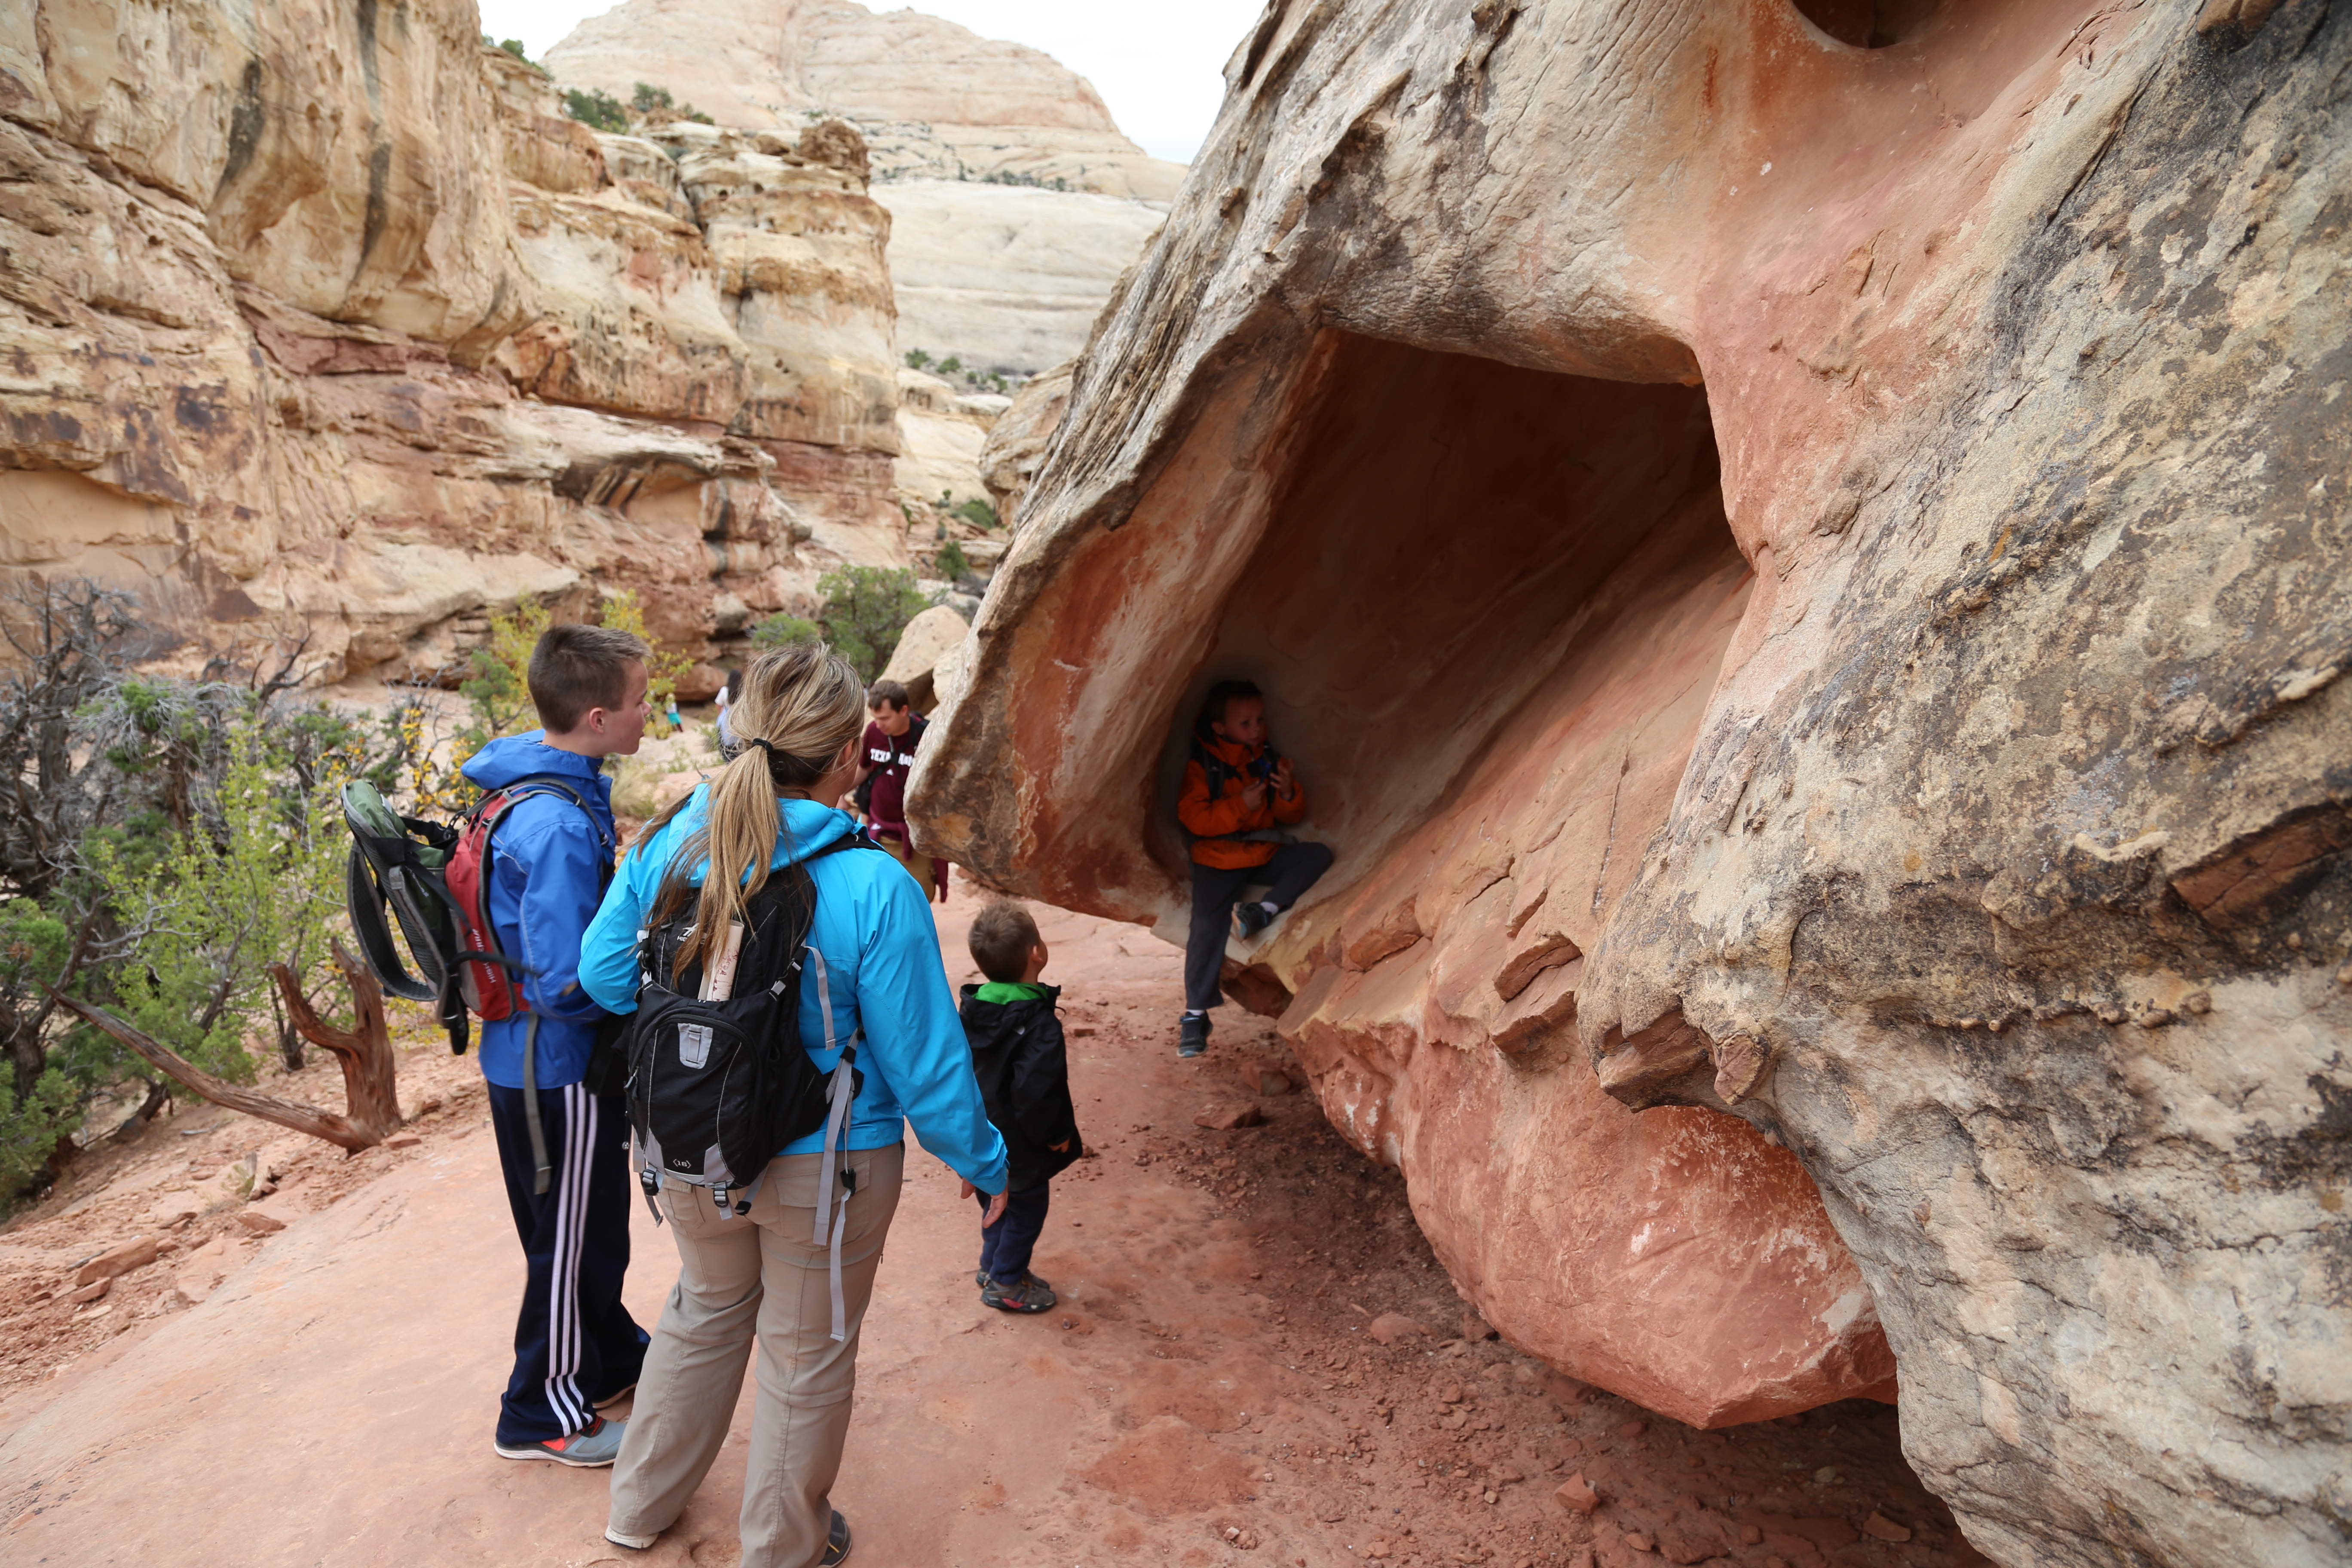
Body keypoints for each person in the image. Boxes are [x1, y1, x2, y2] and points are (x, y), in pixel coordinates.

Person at [581, 643, 1010, 1568]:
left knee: (703, 1310)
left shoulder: (669, 844)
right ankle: (781, 1549)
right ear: (850, 749)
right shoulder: (871, 883)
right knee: (805, 1353)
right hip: (829, 1166)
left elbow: (604, 977)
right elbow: (926, 1066)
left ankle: (638, 1510)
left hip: (687, 1143)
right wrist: (988, 1164)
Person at [462, 623, 653, 1466]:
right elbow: (571, 980)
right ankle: (538, 1413)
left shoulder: (525, 789)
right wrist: (651, 975)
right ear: (602, 718)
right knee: (571, 1239)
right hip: (561, 1069)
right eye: (645, 701)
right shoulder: (562, 827)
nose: (653, 714)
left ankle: (608, 1357)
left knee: (585, 1228)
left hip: (524, 1060)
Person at [1174, 680, 1334, 1060]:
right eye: (1245, 723)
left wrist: (1289, 791)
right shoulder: (1204, 765)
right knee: (1207, 924)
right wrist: (1240, 805)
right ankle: (1195, 1015)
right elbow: (1194, 818)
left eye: (1258, 720)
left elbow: (1286, 817)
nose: (1256, 728)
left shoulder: (1265, 756)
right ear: (1220, 728)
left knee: (1317, 855)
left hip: (1262, 852)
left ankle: (1262, 911)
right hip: (1219, 857)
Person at [959, 900, 1082, 1315]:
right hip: (1023, 1143)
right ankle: (1007, 1282)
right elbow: (1037, 1092)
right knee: (1027, 1210)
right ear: (1037, 953)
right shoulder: (1039, 1024)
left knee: (996, 1199)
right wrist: (1057, 1136)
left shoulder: (973, 1009)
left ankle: (992, 1265)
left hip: (982, 1138)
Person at [852, 678, 947, 903]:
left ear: (903, 710)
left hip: (916, 835)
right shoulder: (874, 732)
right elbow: (865, 768)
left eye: (885, 718)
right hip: (879, 831)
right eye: (876, 718)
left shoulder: (926, 736)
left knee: (920, 895)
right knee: (879, 895)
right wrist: (839, 794)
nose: (879, 724)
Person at [714, 667, 741, 750]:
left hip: (727, 719)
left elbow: (718, 705)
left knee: (726, 746)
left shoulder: (724, 690)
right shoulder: (745, 690)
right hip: (741, 719)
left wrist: (721, 717)